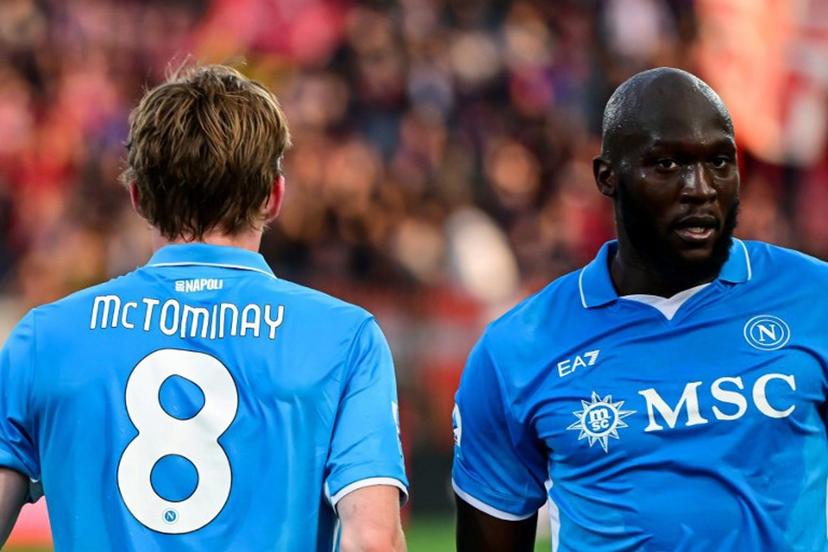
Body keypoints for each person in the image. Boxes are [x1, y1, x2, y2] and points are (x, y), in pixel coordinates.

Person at [0, 64, 408, 551]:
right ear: (274, 196)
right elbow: (374, 540)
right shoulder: (345, 338)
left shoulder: (46, 338)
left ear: (138, 197)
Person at [452, 67, 828, 551]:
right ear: (607, 177)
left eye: (719, 161)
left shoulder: (813, 298)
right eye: (667, 164)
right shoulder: (516, 350)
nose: (700, 187)